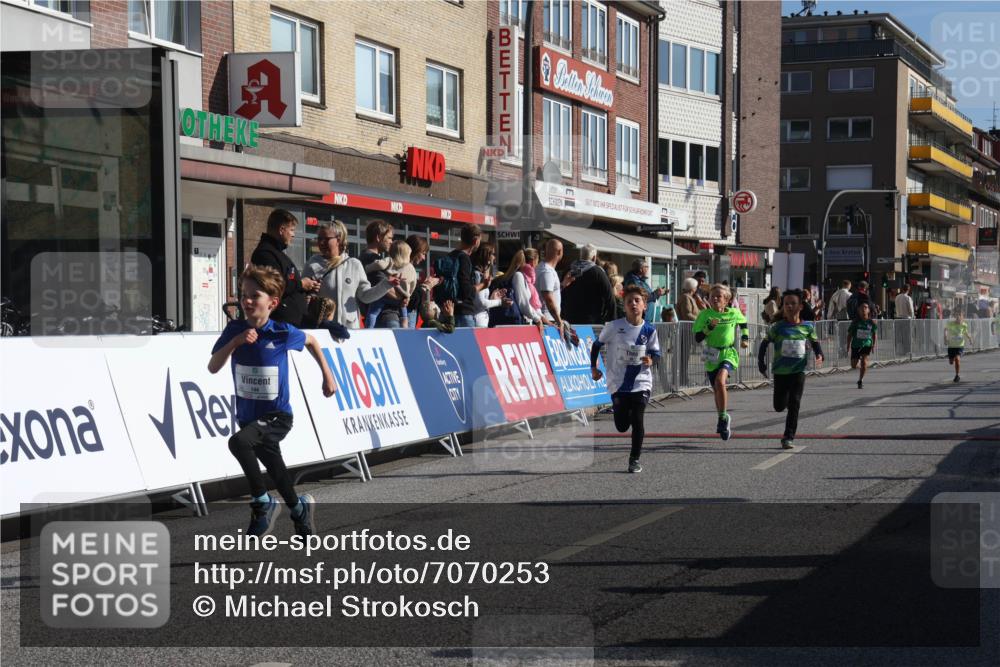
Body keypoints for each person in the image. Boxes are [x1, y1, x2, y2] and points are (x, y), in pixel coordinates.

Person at [208, 265, 336, 537]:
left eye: (255, 296)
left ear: (273, 303)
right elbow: (213, 366)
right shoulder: (235, 329)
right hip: (248, 416)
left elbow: (313, 341)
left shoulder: (281, 332)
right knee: (277, 472)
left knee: (238, 442)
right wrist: (236, 343)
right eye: (244, 295)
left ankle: (262, 504)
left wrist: (327, 374)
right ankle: (299, 510)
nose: (247, 300)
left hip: (277, 415)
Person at [590, 285, 661, 473]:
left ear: (645, 305)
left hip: (641, 382)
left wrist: (650, 359)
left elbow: (656, 353)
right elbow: (596, 346)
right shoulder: (614, 327)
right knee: (622, 426)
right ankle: (625, 412)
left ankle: (634, 459)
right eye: (629, 301)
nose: (633, 304)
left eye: (637, 300)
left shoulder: (649, 330)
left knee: (638, 421)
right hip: (618, 382)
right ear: (624, 305)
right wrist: (594, 368)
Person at [757, 289, 824, 450]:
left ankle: (788, 437)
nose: (789, 306)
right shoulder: (778, 327)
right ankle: (785, 403)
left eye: (793, 303)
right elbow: (765, 343)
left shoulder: (807, 327)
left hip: (798, 371)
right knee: (779, 406)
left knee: (795, 404)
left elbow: (815, 343)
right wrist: (761, 362)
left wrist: (819, 355)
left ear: (800, 306)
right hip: (780, 371)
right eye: (786, 303)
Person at [302, 221, 396, 329]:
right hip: (323, 331)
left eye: (326, 239)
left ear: (339, 240)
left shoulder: (354, 264)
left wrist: (386, 285)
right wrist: (308, 293)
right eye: (319, 239)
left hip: (350, 332)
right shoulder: (312, 265)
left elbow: (365, 296)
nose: (321, 243)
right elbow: (303, 299)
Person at [693, 283, 749, 440]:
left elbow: (743, 323)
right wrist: (708, 329)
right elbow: (698, 338)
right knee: (716, 389)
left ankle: (723, 417)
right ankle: (722, 417)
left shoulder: (733, 313)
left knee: (720, 382)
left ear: (726, 300)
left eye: (719, 296)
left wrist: (745, 338)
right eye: (713, 296)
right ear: (709, 299)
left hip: (728, 352)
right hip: (711, 353)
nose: (715, 299)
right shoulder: (704, 315)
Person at [250, 209, 319, 327]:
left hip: (290, 323)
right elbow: (275, 286)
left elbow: (288, 282)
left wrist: (307, 287)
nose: (293, 234)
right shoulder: (265, 254)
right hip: (281, 325)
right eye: (291, 230)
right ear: (282, 230)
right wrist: (301, 284)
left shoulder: (276, 253)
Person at [435, 224, 481, 328]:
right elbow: (466, 291)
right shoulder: (464, 258)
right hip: (463, 313)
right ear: (475, 241)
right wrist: (484, 285)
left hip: (447, 310)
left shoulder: (450, 256)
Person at [364, 240, 417, 328]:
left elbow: (380, 265)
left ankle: (369, 329)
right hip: (402, 298)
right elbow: (413, 283)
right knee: (404, 316)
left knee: (373, 313)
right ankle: (405, 327)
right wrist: (408, 295)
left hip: (386, 294)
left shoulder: (390, 261)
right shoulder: (411, 268)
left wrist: (367, 268)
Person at [560, 244, 615, 325]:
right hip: (591, 320)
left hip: (569, 318)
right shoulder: (598, 272)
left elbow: (561, 292)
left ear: (580, 256)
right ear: (594, 258)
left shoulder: (569, 269)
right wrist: (612, 320)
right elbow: (609, 297)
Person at [405, 235, 441, 328]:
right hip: (408, 315)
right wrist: (426, 286)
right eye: (423, 253)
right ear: (415, 251)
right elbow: (412, 300)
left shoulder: (407, 268)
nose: (424, 258)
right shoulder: (407, 268)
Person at [536, 239, 564, 330]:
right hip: (548, 321)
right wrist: (559, 321)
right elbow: (548, 298)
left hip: (548, 319)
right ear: (559, 252)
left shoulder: (545, 268)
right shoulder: (547, 271)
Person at [848, 302, 877, 389]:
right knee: (853, 365)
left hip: (866, 344)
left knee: (864, 362)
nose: (864, 309)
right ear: (859, 310)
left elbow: (874, 334)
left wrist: (873, 345)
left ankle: (860, 380)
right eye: (862, 308)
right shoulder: (855, 322)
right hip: (856, 344)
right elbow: (849, 334)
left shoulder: (871, 322)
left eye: (866, 307)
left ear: (868, 310)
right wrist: (848, 345)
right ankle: (861, 366)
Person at [944, 311, 973, 382]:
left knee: (957, 359)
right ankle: (952, 358)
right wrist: (945, 337)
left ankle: (957, 375)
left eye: (960, 316)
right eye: (957, 316)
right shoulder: (950, 324)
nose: (958, 317)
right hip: (951, 346)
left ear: (962, 317)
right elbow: (946, 330)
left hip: (960, 346)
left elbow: (966, 332)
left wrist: (970, 339)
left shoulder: (964, 325)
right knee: (951, 362)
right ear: (955, 317)